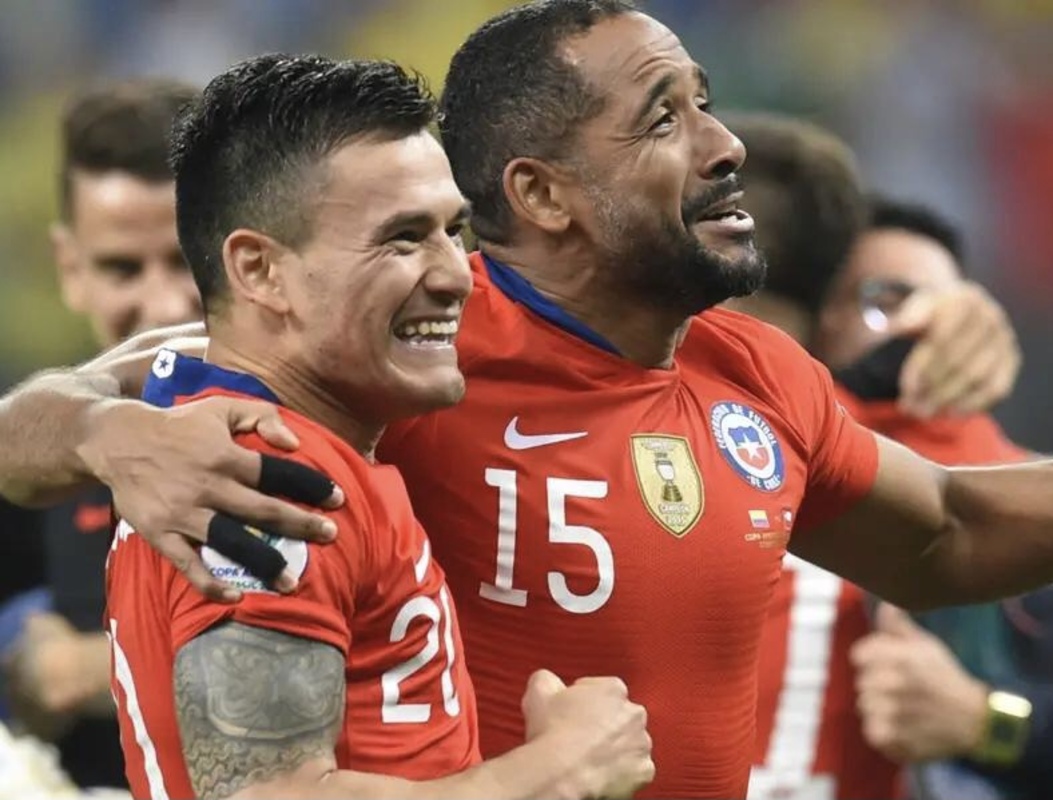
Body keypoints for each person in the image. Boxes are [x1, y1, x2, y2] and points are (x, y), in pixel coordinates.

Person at [0, 2, 1053, 798]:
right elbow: (61, 415)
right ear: (546, 193)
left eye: (706, 101)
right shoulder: (396, 350)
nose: (724, 144)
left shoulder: (753, 372)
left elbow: (948, 533)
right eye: (665, 117)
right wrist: (109, 430)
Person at [105, 53, 653, 800]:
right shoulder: (267, 478)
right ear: (260, 271)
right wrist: (562, 770)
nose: (456, 274)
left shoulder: (253, 445)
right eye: (403, 238)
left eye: (453, 230)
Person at [730, 112, 1053, 800]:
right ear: (810, 316)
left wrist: (983, 719)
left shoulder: (987, 495)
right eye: (877, 298)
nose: (916, 327)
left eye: (934, 303)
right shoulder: (672, 424)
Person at [2, 79, 203, 791]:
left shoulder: (340, 436)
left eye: (186, 258)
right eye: (124, 267)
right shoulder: (26, 460)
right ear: (70, 268)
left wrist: (84, 668)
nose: (164, 303)